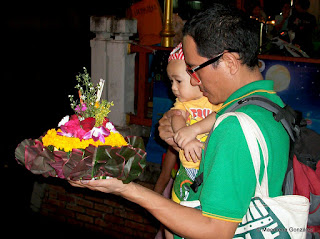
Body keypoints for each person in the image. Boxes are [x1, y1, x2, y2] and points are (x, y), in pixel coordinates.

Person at [70, 4, 290, 238]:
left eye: (194, 69)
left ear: (229, 62)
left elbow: (214, 231)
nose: (194, 81)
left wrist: (124, 188)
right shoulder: (271, 105)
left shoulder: (235, 126)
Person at [167, 43, 222, 205]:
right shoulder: (182, 104)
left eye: (178, 81)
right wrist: (185, 136)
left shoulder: (213, 99)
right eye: (171, 81)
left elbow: (219, 115)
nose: (173, 88)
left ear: (197, 77)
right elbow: (177, 116)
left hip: (211, 168)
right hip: (187, 166)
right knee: (178, 206)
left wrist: (194, 129)